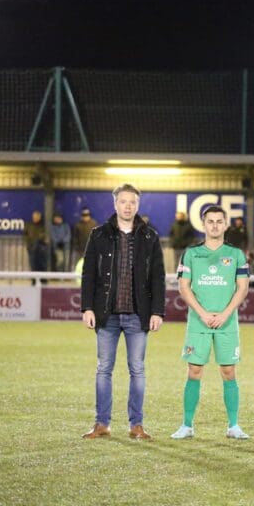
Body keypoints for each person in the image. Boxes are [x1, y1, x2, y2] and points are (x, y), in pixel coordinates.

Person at [80, 184, 166, 440]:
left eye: (132, 202)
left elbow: (158, 278)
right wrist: (87, 307)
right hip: (106, 315)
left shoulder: (149, 236)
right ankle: (102, 424)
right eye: (123, 202)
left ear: (137, 205)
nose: (128, 206)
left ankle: (136, 425)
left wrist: (157, 311)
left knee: (137, 370)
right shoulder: (98, 235)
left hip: (138, 316)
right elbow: (88, 276)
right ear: (115, 204)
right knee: (104, 369)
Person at [171, 206, 251, 440]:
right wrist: (203, 313)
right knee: (194, 370)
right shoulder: (192, 253)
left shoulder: (236, 254)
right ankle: (187, 425)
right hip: (199, 321)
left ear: (226, 224)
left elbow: (243, 287)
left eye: (219, 221)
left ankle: (233, 426)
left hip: (227, 321)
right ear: (203, 225)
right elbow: (183, 286)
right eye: (210, 221)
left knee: (228, 371)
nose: (215, 225)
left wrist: (225, 313)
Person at [23, 210, 48, 284]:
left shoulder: (43, 226)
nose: (35, 218)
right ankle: (34, 280)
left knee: (42, 264)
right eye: (34, 217)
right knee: (33, 265)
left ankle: (43, 279)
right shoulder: (28, 225)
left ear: (40, 217)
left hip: (41, 248)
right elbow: (25, 236)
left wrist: (41, 240)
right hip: (31, 248)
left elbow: (45, 236)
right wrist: (29, 245)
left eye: (37, 217)